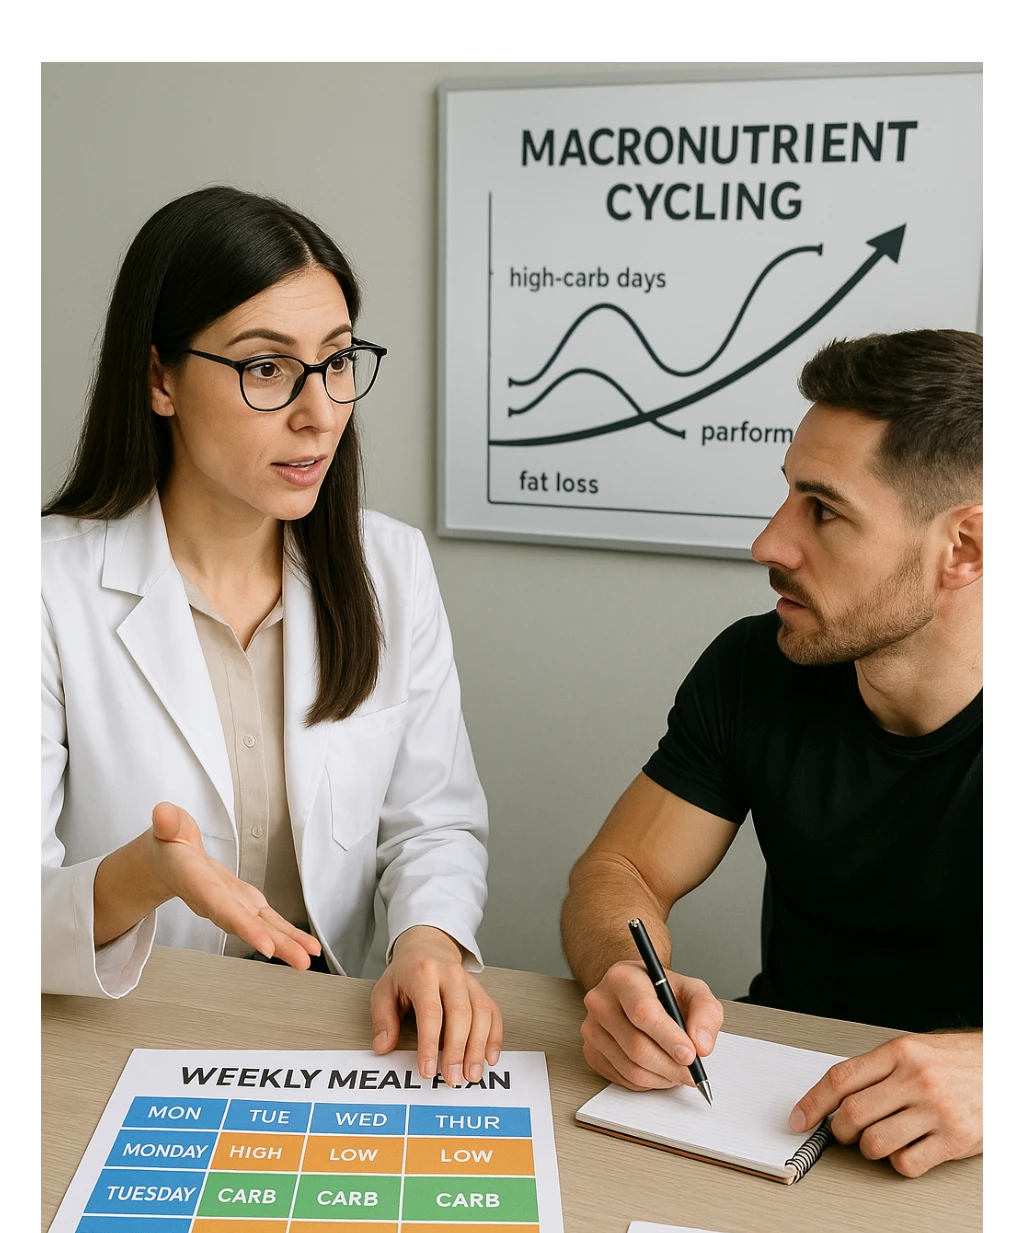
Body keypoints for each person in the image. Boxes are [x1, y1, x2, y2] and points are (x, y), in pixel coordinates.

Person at [42, 185, 501, 1087]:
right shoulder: (42, 586)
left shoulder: (390, 567)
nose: (320, 411)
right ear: (159, 379)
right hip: (109, 1039)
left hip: (330, 1035)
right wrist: (147, 873)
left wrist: (427, 939)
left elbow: (433, 826)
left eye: (336, 362)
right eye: (266, 368)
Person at [561, 329, 982, 1178]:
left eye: (823, 510)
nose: (768, 543)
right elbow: (620, 870)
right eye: (788, 496)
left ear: (964, 549)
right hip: (772, 1107)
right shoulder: (761, 664)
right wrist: (624, 975)